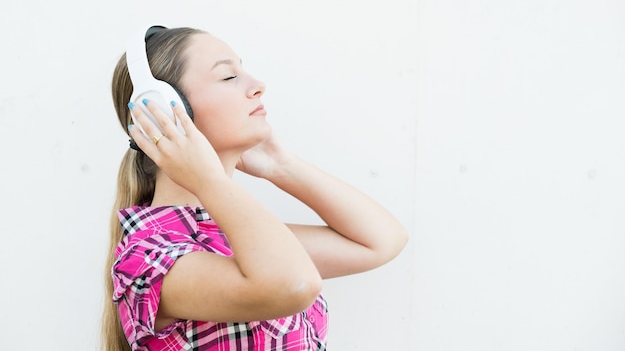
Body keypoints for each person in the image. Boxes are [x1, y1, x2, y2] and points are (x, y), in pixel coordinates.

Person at [102, 26, 409, 351]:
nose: (258, 86)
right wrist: (209, 180)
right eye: (228, 77)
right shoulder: (149, 258)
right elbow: (294, 285)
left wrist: (281, 165)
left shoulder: (231, 236)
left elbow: (382, 241)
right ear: (161, 110)